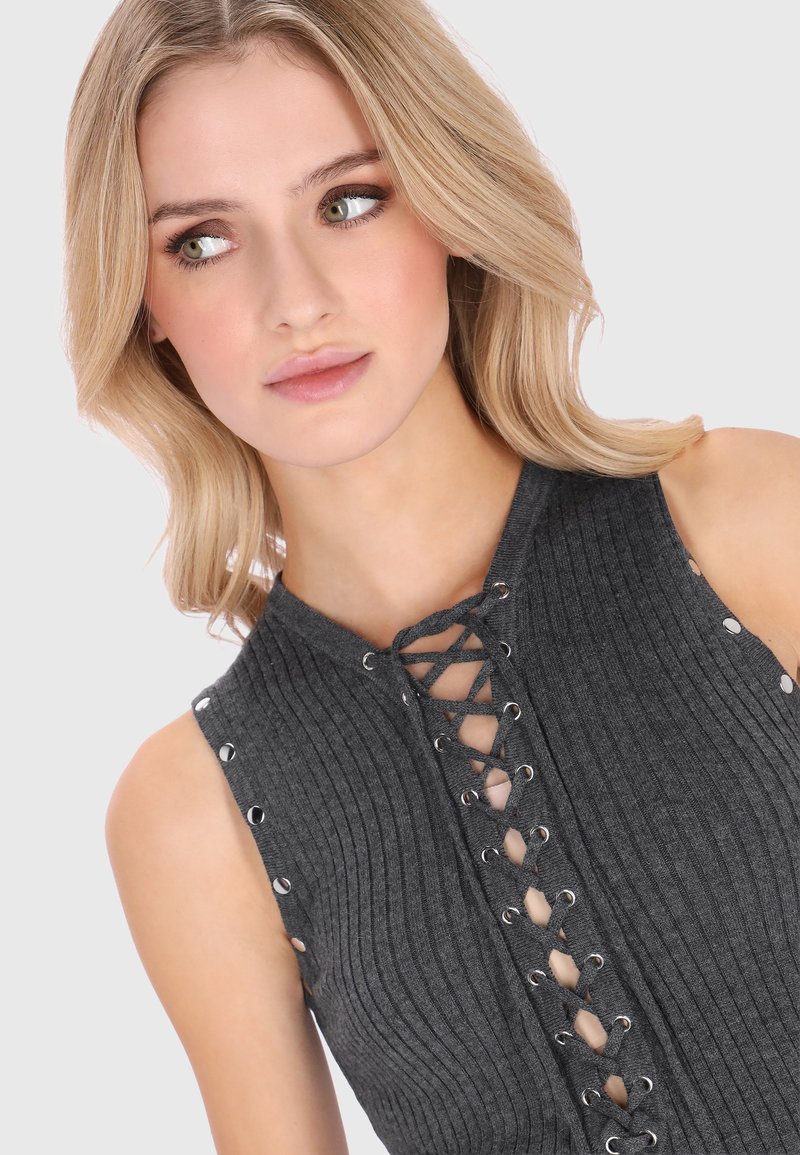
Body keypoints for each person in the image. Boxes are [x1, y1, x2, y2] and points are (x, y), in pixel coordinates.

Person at [63, 2, 800, 1153]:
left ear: (448, 205)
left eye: (347, 201)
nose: (294, 301)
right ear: (145, 300)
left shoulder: (750, 524)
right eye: (200, 241)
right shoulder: (192, 812)